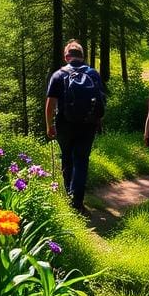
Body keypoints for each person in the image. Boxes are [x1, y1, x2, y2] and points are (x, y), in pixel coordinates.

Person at [45, 40, 105, 213]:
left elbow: (50, 104)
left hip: (65, 124)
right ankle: (77, 201)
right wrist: (98, 120)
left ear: (66, 57)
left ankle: (70, 195)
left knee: (67, 157)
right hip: (88, 124)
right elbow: (100, 101)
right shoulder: (93, 74)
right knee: (81, 160)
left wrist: (49, 125)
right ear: (82, 57)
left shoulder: (59, 75)